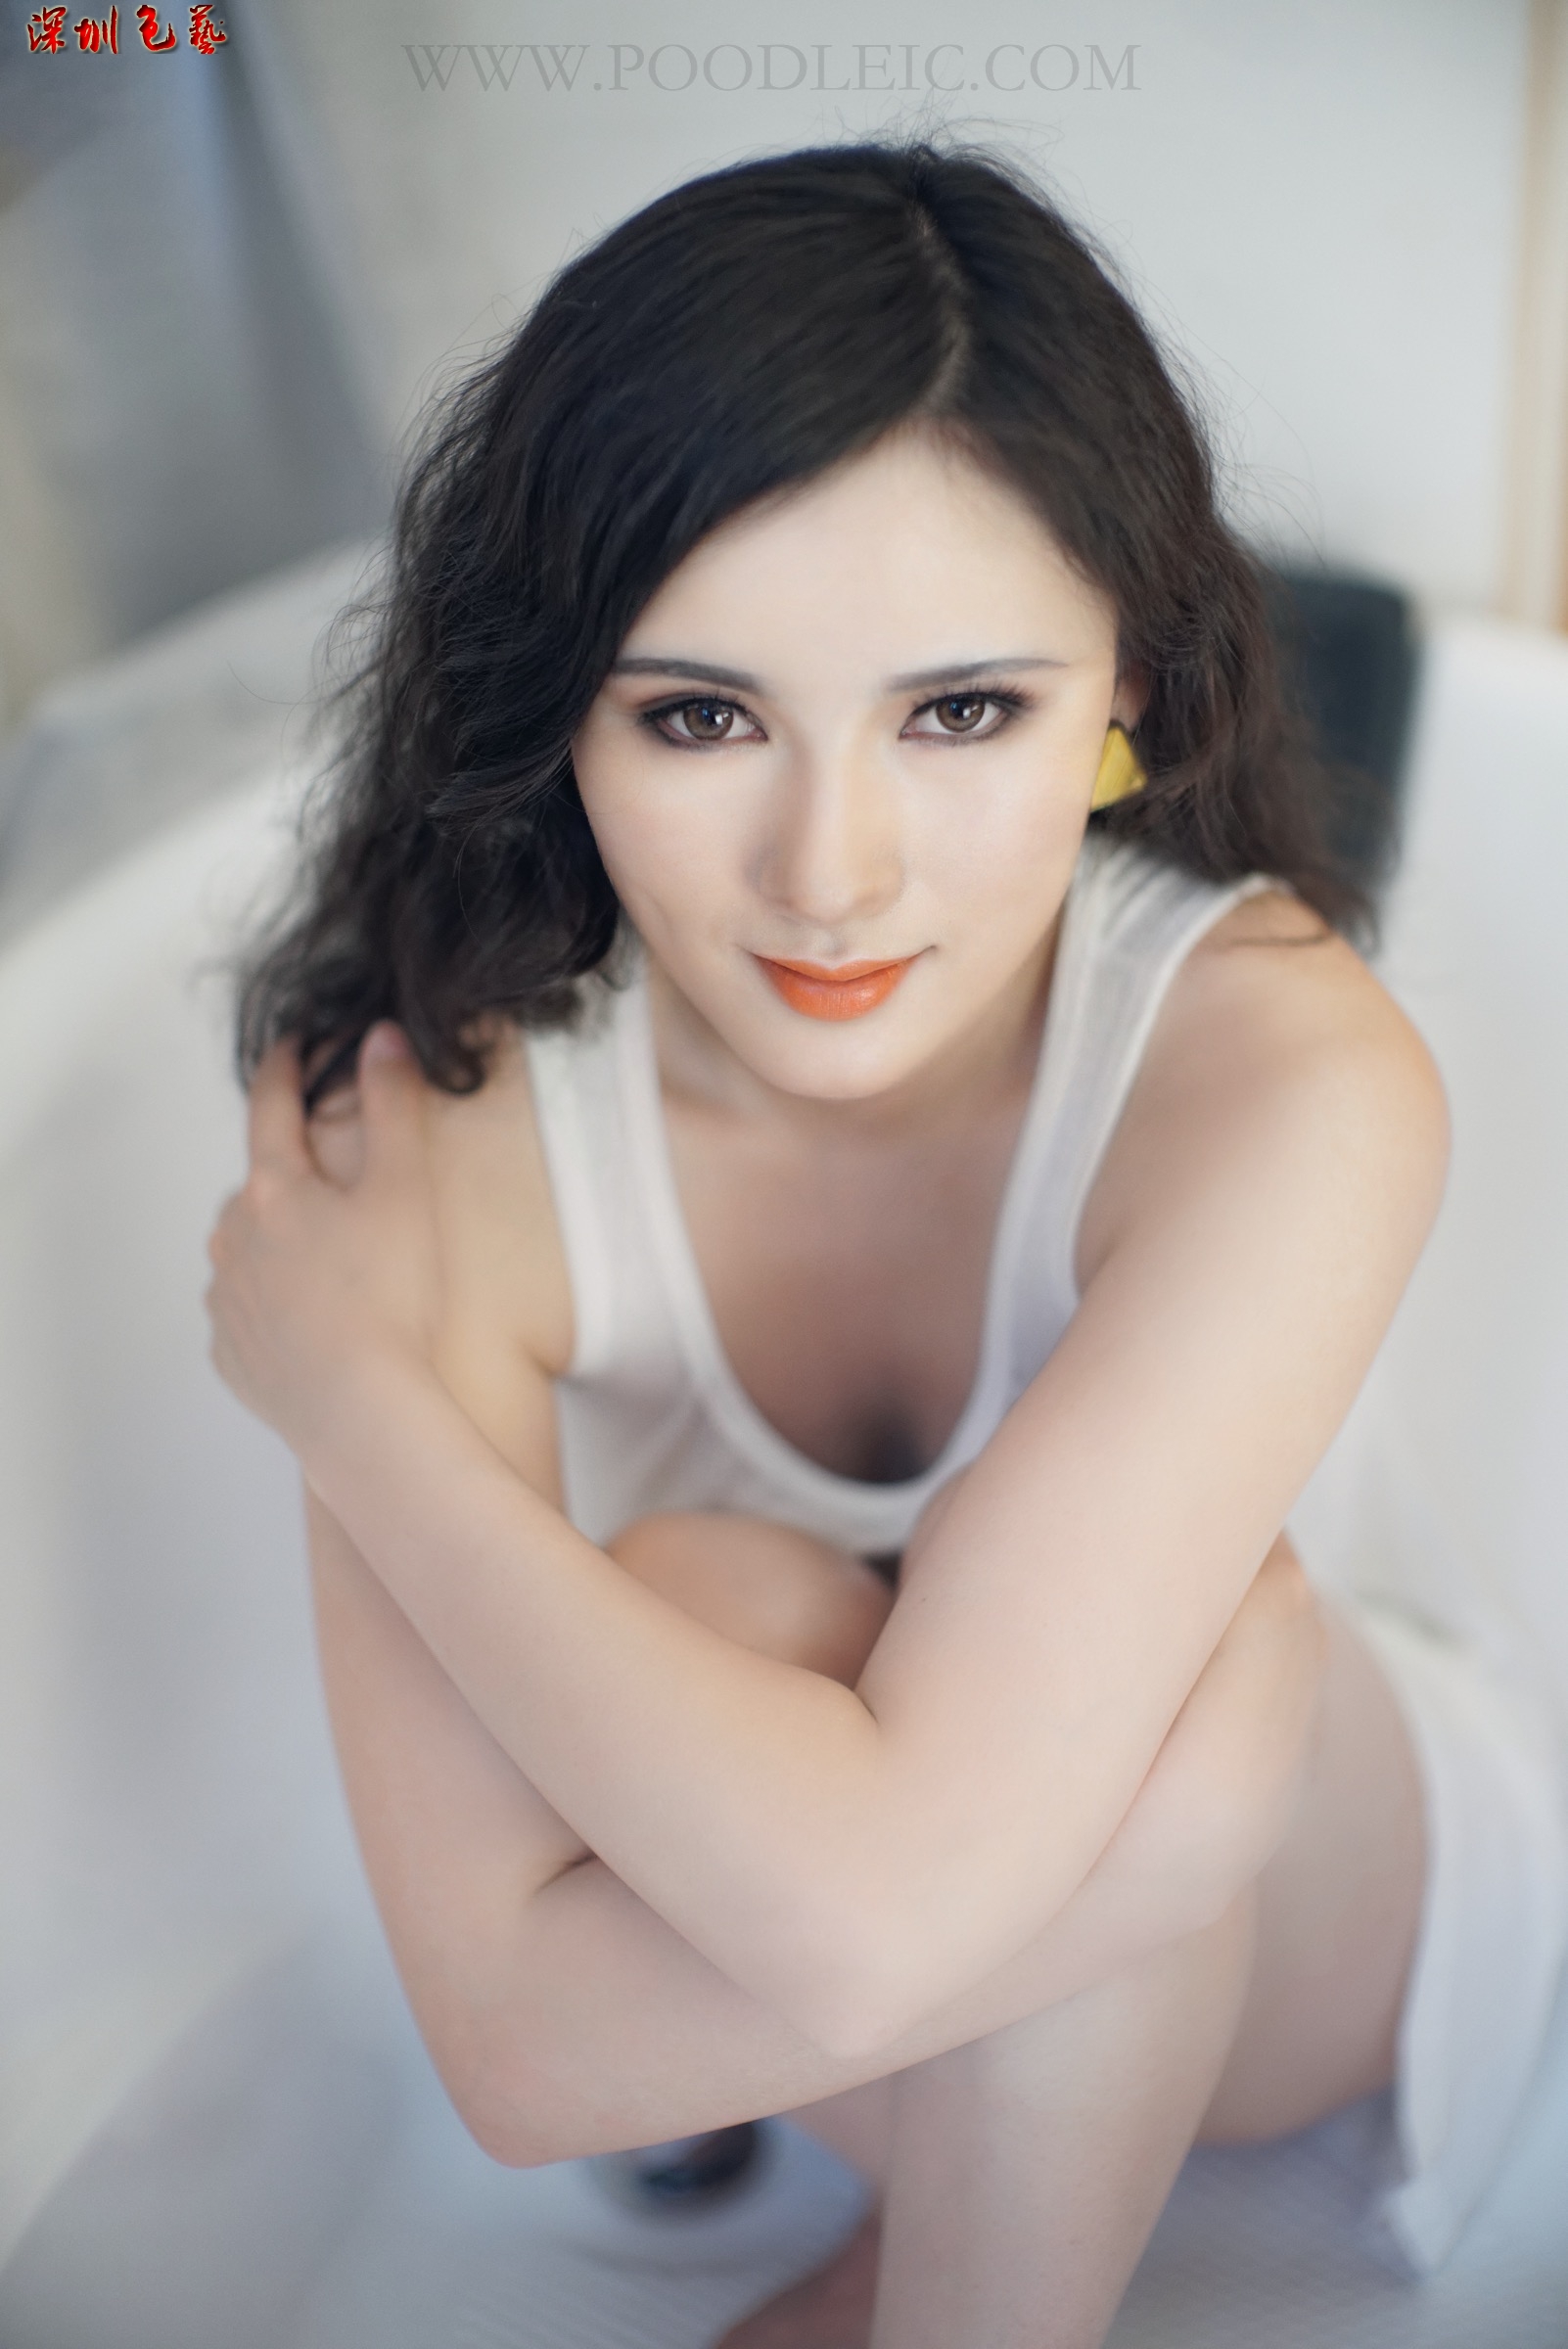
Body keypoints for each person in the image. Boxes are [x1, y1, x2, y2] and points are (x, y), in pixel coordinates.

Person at [206, 141, 1568, 2347]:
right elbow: (517, 2058)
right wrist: (1128, 1845)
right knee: (739, 1612)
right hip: (890, 1923)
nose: (829, 873)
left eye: (960, 712)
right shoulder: (447, 1120)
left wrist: (362, 1419)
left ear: (1125, 690)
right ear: (553, 709)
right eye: (699, 715)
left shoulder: (1277, 1067)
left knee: (1173, 1682)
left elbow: (799, 1951)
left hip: (1328, 1940)